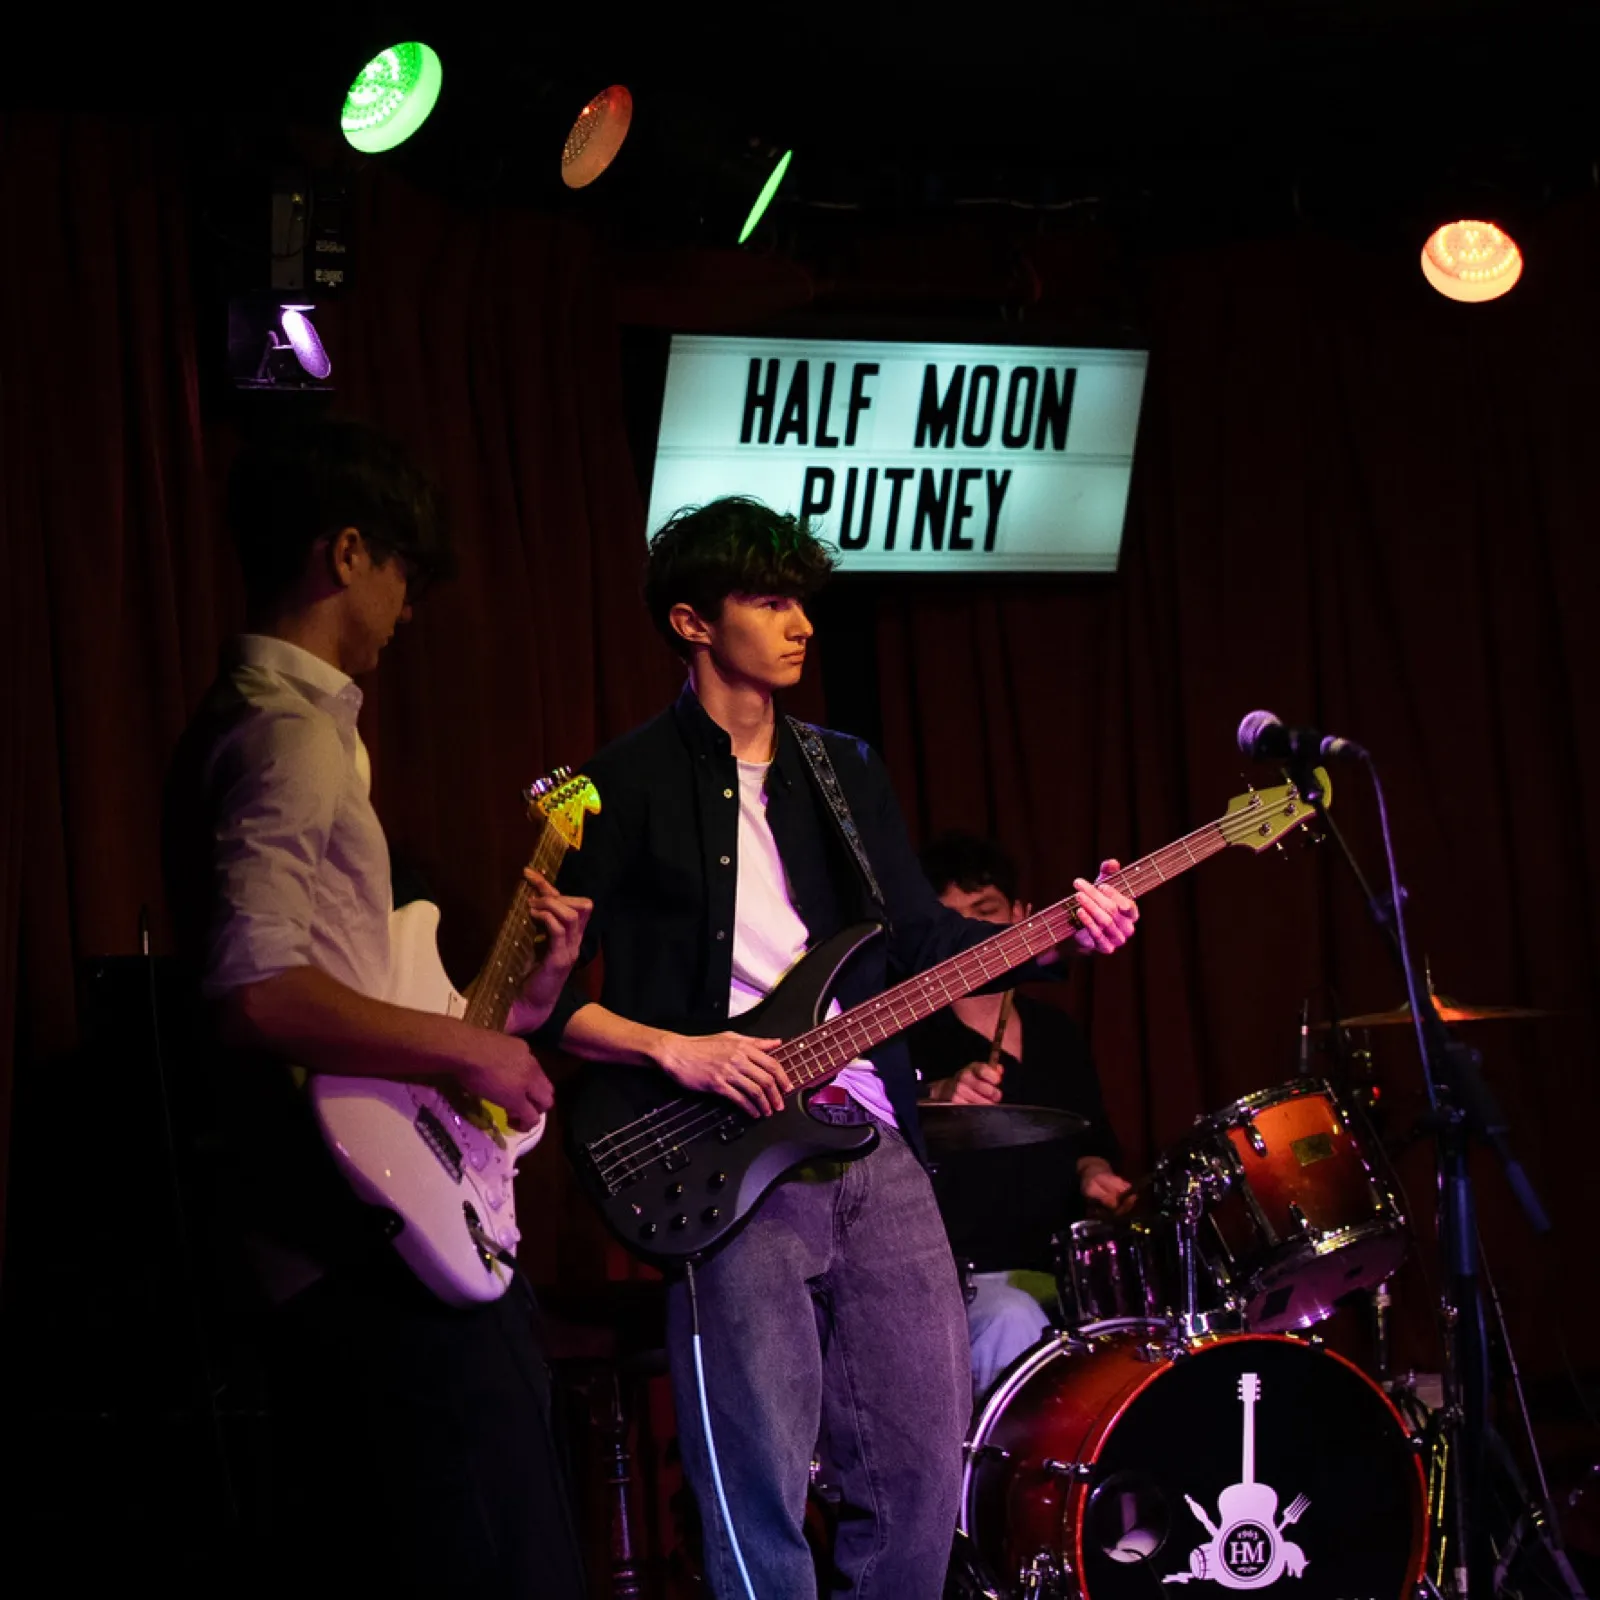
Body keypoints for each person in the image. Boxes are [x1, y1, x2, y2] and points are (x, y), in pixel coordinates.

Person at [538, 496, 1139, 1600]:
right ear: (689, 621)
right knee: (758, 1475)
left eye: (800, 600)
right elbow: (538, 1000)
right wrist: (682, 1049)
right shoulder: (612, 784)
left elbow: (912, 939)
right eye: (767, 601)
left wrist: (1056, 931)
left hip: (870, 1128)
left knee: (919, 1456)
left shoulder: (843, 769)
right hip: (721, 1144)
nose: (798, 622)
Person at [162, 418, 590, 1594]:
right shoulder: (287, 735)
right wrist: (470, 1049)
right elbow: (254, 995)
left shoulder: (291, 732)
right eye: (403, 570)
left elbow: (346, 998)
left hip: (364, 1223)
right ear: (348, 552)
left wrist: (513, 1008)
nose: (408, 606)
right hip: (362, 1250)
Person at [909, 831, 1137, 1400]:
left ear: (1023, 915)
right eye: (951, 924)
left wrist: (1092, 1171)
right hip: (957, 1280)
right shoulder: (907, 1034)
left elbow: (1092, 1136)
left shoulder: (1055, 1032)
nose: (972, 941)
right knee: (1011, 1317)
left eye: (984, 916)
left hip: (1060, 1267)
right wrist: (934, 1091)